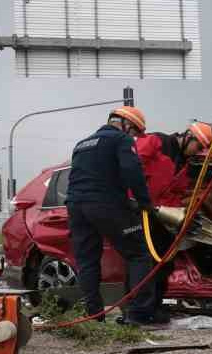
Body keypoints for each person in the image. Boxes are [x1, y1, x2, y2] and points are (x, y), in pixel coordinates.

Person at [65, 106, 161, 325]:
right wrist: (145, 203)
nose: (134, 137)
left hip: (75, 207)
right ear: (124, 124)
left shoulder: (81, 144)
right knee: (138, 254)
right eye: (135, 132)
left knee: (87, 262)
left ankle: (94, 315)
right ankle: (138, 315)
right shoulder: (120, 140)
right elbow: (132, 171)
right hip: (105, 205)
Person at [132, 121, 212, 320]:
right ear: (189, 137)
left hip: (161, 216)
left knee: (165, 263)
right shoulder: (156, 142)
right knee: (145, 262)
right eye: (199, 146)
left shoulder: (184, 164)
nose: (198, 152)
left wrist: (178, 214)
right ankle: (138, 311)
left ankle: (155, 307)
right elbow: (130, 167)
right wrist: (136, 198)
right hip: (141, 211)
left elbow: (176, 192)